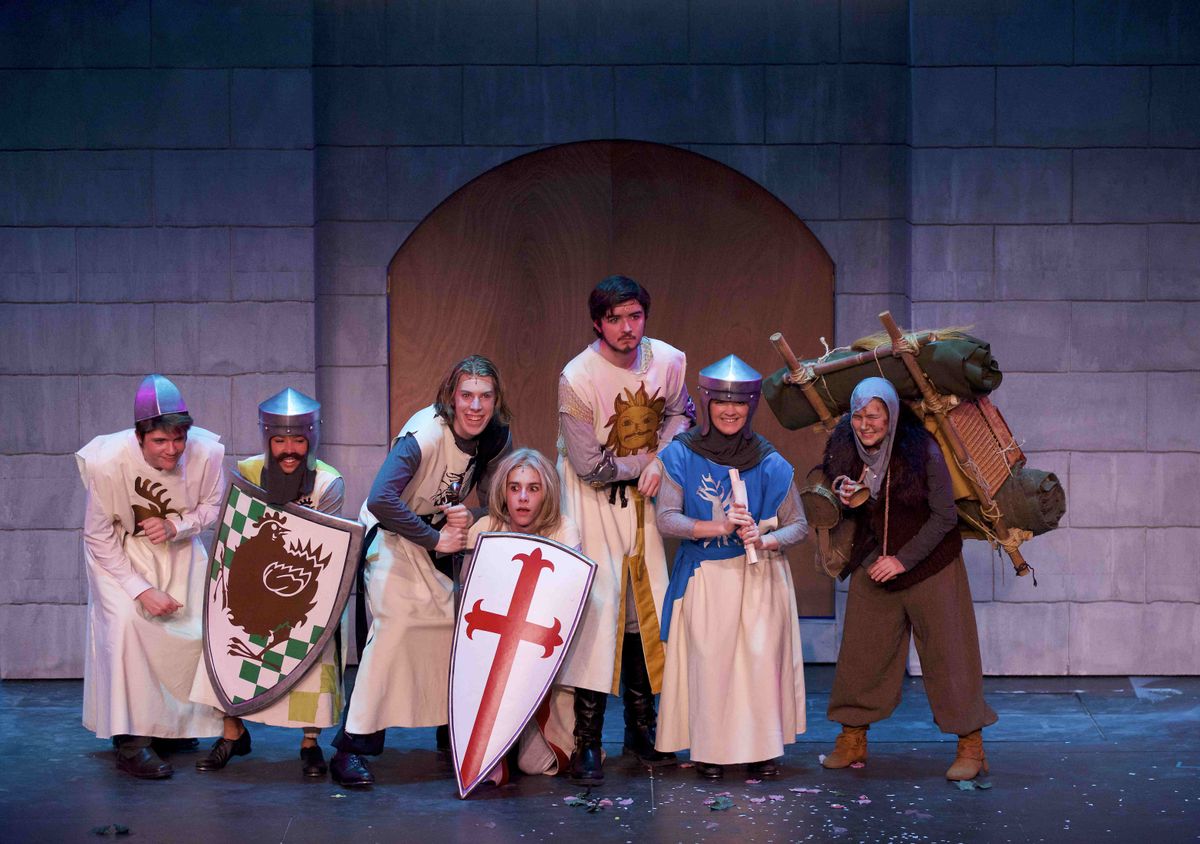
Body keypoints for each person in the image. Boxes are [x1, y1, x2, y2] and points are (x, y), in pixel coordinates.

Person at [330, 355, 512, 787]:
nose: (475, 406)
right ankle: (351, 746)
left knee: (457, 630)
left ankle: (452, 731)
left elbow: (494, 498)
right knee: (395, 631)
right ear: (452, 397)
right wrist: (434, 540)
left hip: (433, 538)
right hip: (393, 535)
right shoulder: (424, 436)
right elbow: (381, 500)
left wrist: (473, 513)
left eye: (485, 396)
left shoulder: (494, 437)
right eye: (467, 395)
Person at [821, 376, 997, 780]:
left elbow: (944, 517)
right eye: (860, 416)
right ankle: (852, 737)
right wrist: (839, 488)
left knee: (950, 655)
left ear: (892, 415)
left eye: (875, 416)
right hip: (872, 560)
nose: (866, 425)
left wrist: (902, 561)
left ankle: (971, 746)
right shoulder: (845, 445)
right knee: (861, 655)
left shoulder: (922, 451)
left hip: (930, 563)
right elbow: (825, 476)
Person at [556, 275, 693, 784]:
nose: (626, 328)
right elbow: (591, 465)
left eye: (634, 316)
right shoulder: (578, 376)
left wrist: (664, 458)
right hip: (592, 502)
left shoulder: (670, 360)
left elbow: (682, 414)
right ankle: (586, 741)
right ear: (598, 323)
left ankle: (642, 731)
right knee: (601, 607)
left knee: (646, 610)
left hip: (647, 500)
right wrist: (651, 461)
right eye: (614, 319)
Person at [653, 354, 808, 779]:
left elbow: (800, 525)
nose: (729, 410)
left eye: (738, 403)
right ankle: (710, 750)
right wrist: (718, 524)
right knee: (711, 667)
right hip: (706, 578)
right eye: (720, 401)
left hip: (759, 579)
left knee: (758, 667)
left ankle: (762, 750)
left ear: (751, 405)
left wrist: (765, 537)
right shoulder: (681, 455)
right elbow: (666, 519)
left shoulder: (769, 461)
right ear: (706, 403)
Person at [189, 388, 346, 778]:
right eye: (279, 440)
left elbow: (323, 548)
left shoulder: (328, 483)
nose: (288, 449)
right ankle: (231, 733)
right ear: (267, 440)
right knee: (223, 642)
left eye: (297, 440)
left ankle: (310, 744)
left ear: (310, 439)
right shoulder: (248, 473)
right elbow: (236, 534)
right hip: (254, 583)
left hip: (300, 588)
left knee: (313, 651)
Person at [76, 374, 225, 778]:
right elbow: (98, 535)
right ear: (141, 436)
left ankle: (170, 728)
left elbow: (213, 507)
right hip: (120, 554)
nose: (172, 449)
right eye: (160, 441)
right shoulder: (108, 463)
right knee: (125, 629)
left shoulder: (207, 454)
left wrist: (179, 526)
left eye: (178, 438)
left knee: (194, 631)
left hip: (178, 546)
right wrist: (140, 590)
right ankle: (131, 742)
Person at [463, 447, 582, 784]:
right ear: (503, 491)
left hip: (540, 661)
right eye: (514, 488)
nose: (523, 498)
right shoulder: (485, 528)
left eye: (533, 488)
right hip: (492, 660)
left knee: (534, 764)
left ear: (547, 492)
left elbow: (566, 599)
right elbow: (471, 603)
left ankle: (524, 738)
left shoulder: (563, 529)